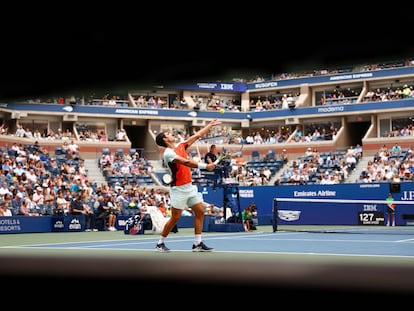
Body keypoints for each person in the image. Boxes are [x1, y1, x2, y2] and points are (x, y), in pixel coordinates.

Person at [154, 119, 221, 252]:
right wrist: (205, 166)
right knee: (175, 217)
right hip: (178, 189)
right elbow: (185, 162)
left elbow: (197, 136)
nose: (171, 134)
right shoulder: (168, 154)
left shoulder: (181, 145)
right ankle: (160, 243)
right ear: (165, 140)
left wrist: (209, 125)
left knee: (200, 211)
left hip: (189, 187)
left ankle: (197, 243)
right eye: (168, 134)